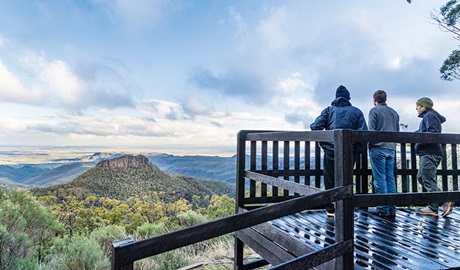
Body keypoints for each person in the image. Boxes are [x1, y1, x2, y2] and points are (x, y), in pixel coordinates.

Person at [310, 85, 368, 217]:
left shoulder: (328, 110)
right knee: (346, 180)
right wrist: (357, 150)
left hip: (331, 150)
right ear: (348, 98)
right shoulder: (357, 112)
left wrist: (324, 143)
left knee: (330, 179)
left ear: (336, 97)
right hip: (349, 151)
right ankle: (346, 210)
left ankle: (331, 209)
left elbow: (315, 126)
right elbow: (363, 132)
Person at [414, 97, 453, 217]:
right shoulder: (429, 116)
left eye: (418, 106)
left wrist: (419, 142)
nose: (416, 108)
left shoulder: (429, 116)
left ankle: (432, 208)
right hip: (428, 152)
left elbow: (433, 132)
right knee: (421, 177)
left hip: (429, 152)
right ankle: (445, 200)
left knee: (428, 178)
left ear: (424, 107)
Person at [367, 90, 400, 217]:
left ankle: (382, 208)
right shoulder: (394, 113)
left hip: (378, 148)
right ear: (386, 99)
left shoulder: (374, 111)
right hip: (391, 148)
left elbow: (371, 131)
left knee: (380, 178)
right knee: (390, 178)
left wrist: (369, 146)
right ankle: (392, 208)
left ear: (375, 99)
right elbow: (396, 131)